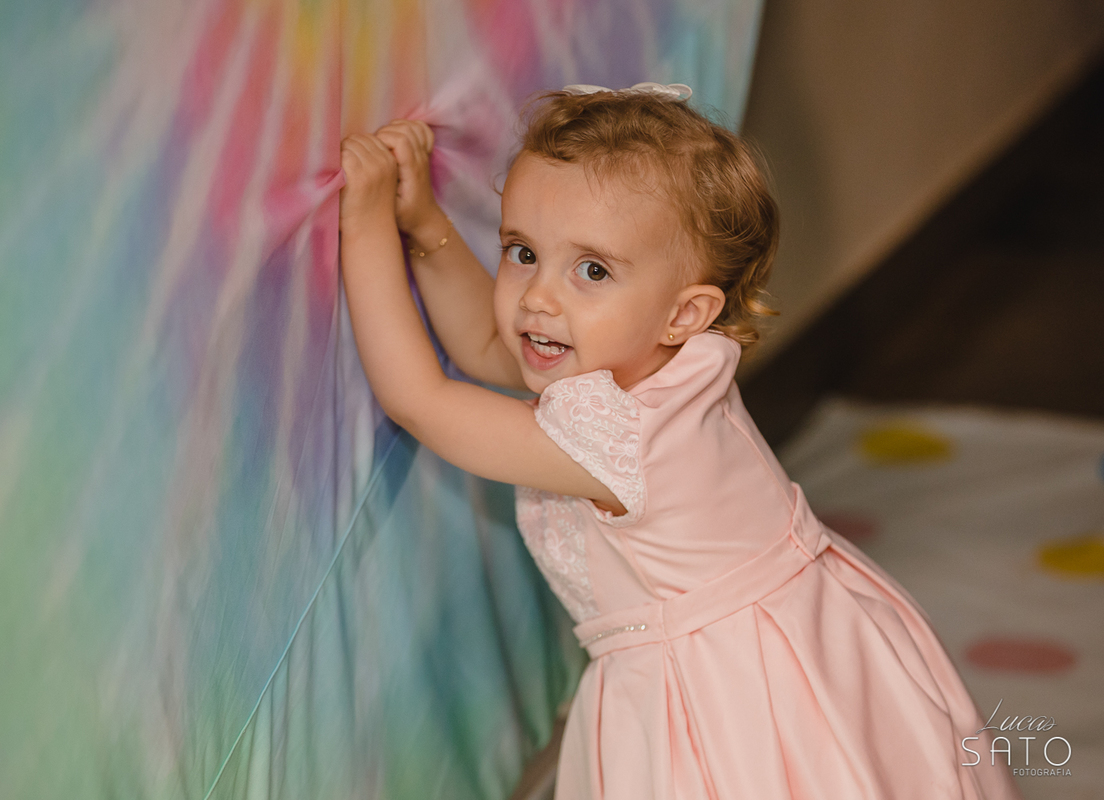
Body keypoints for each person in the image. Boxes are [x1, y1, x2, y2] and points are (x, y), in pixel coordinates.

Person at [337, 83, 1022, 799]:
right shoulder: (662, 356)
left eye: (592, 270)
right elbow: (485, 339)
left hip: (720, 687)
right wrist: (422, 224)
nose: (539, 297)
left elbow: (421, 399)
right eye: (521, 251)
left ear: (683, 312)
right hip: (798, 639)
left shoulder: (617, 437)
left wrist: (363, 222)